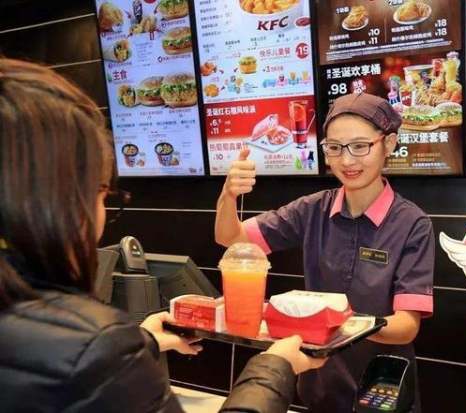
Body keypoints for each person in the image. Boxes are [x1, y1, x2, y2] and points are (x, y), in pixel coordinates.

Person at [0, 58, 324, 413]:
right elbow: (232, 240)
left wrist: (141, 342)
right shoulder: (94, 343)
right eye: (101, 192)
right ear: (56, 201)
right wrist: (275, 368)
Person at [215, 92, 435, 412]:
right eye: (334, 147)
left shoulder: (412, 223)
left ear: (388, 144)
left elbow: (405, 327)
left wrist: (332, 322)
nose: (346, 161)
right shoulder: (313, 209)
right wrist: (228, 196)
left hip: (381, 391)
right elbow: (231, 239)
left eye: (360, 146)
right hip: (320, 388)